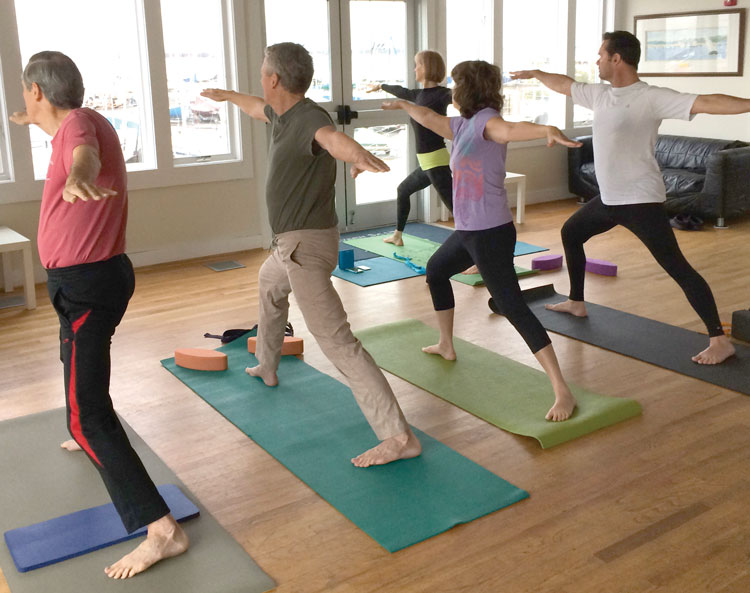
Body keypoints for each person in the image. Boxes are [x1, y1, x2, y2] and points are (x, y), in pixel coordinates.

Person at [10, 51, 188, 579]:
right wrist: (35, 122)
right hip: (82, 283)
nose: (24, 104)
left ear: (38, 92)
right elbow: (71, 143)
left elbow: (82, 155)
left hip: (89, 284)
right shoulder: (73, 125)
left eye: (26, 96)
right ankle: (79, 421)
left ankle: (163, 530)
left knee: (87, 411)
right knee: (74, 361)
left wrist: (78, 176)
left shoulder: (80, 127)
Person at [201, 42, 421, 466]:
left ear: (274, 79)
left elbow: (332, 139)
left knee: (338, 341)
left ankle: (398, 436)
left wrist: (358, 155)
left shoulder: (307, 119)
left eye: (263, 71)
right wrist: (227, 96)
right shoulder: (281, 115)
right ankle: (267, 364)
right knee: (269, 287)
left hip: (304, 247)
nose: (260, 79)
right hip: (289, 246)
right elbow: (253, 108)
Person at [511, 30, 743, 365]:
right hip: (608, 199)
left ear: (616, 58)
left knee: (677, 267)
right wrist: (535, 74)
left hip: (639, 200)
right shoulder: (600, 95)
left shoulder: (650, 96)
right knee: (571, 233)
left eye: (601, 55)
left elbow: (708, 101)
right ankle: (577, 301)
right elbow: (563, 84)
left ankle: (719, 341)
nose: (597, 61)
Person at [383, 60, 581, 421]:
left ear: (467, 89)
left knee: (513, 307)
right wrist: (405, 105)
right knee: (436, 271)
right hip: (469, 231)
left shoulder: (488, 121)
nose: (452, 89)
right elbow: (430, 119)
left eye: (456, 84)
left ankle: (561, 390)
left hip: (490, 233)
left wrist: (547, 128)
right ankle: (446, 344)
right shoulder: (462, 125)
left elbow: (510, 130)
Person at [368, 51, 453, 247]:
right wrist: (381, 86)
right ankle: (398, 235)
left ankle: (477, 255)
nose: (414, 68)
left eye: (417, 65)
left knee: (456, 211)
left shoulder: (442, 94)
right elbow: (400, 91)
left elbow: (460, 97)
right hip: (427, 163)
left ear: (427, 67)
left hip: (436, 161)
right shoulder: (418, 95)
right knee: (403, 190)